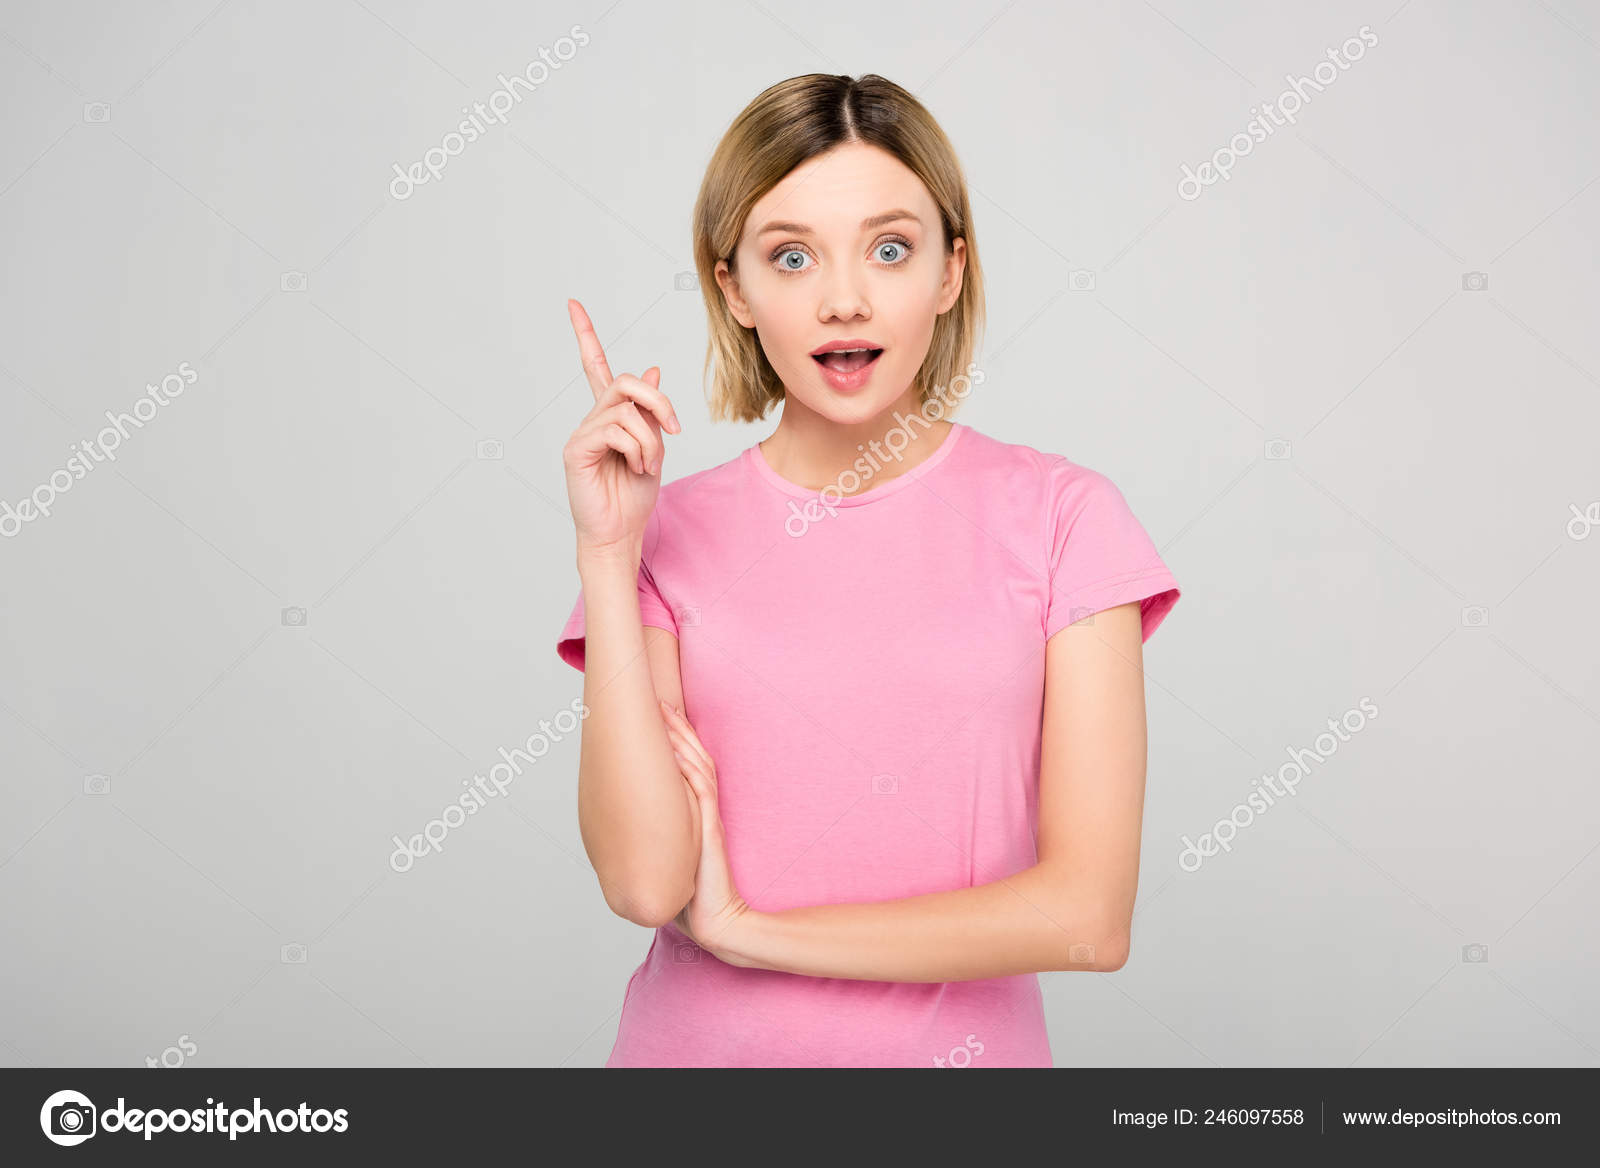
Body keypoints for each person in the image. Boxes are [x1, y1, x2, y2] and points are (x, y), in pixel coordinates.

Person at [556, 73, 1181, 1068]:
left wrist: (752, 932)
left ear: (949, 271)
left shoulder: (1065, 520)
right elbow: (642, 880)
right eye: (791, 256)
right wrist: (605, 553)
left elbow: (1087, 918)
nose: (843, 299)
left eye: (889, 249)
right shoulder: (663, 537)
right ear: (733, 289)